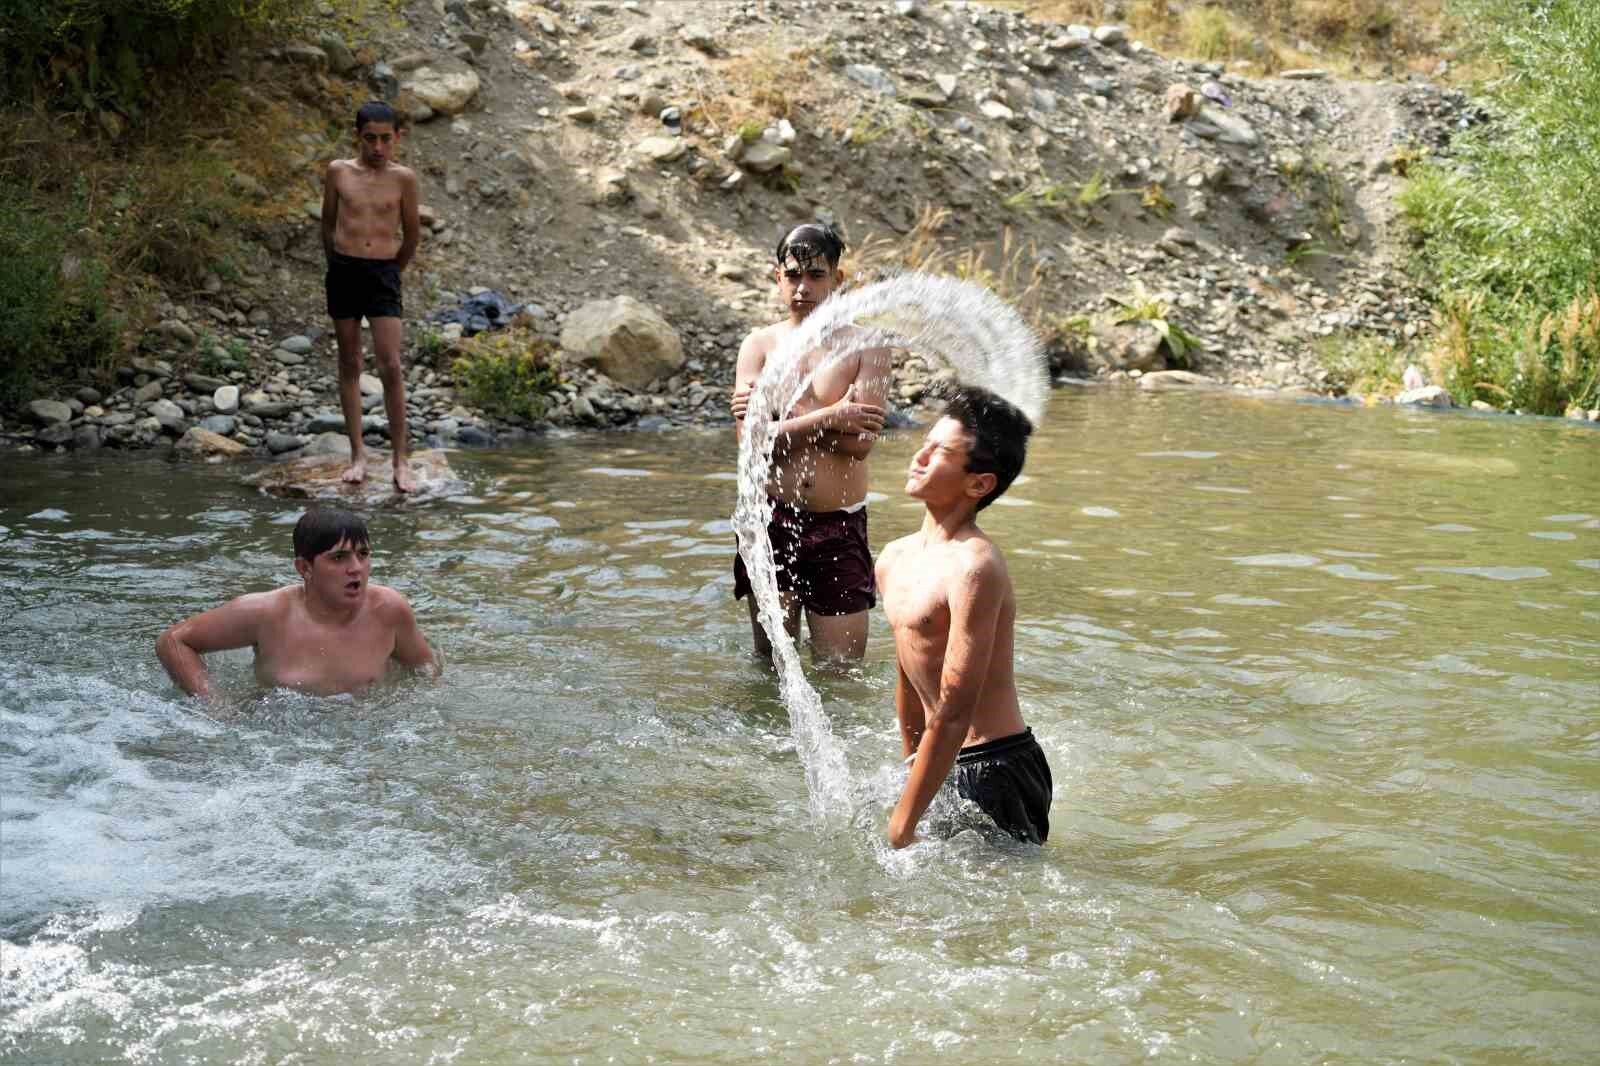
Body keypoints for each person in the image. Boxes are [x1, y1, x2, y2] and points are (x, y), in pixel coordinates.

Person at [876, 386, 1052, 848]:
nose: (920, 456)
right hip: (940, 759)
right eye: (925, 443)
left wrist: (902, 822)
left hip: (995, 768)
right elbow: (909, 674)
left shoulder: (976, 566)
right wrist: (910, 766)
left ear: (978, 483)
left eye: (940, 452)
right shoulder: (893, 558)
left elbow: (955, 708)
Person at [730, 222, 891, 662]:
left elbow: (859, 445)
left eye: (816, 276)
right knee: (772, 666)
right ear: (777, 278)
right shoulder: (759, 346)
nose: (803, 287)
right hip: (769, 521)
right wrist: (832, 416)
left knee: (842, 672)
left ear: (838, 280)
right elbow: (751, 445)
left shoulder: (867, 345)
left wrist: (782, 418)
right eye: (793, 275)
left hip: (837, 525)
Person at [156, 507, 437, 700]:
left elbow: (427, 673)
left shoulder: (388, 610)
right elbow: (173, 641)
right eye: (339, 558)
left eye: (363, 555)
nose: (357, 568)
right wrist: (215, 705)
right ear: (304, 568)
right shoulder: (265, 613)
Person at [321, 100, 421, 493]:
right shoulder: (338, 172)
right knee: (349, 361)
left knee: (391, 364)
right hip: (344, 269)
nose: (377, 148)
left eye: (385, 139)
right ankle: (358, 455)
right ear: (357, 136)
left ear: (397, 137)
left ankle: (400, 459)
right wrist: (335, 263)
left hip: (383, 272)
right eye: (369, 139)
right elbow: (327, 223)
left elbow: (411, 233)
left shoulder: (404, 179)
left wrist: (394, 269)